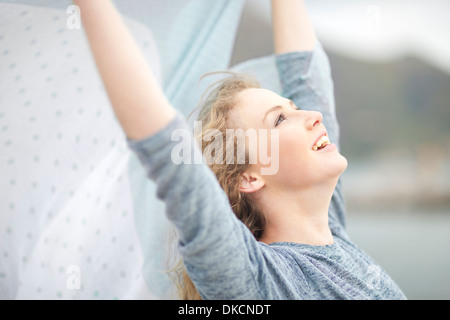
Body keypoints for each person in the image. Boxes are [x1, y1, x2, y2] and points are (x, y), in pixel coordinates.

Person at [74, 0, 406, 299]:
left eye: (293, 106)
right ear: (248, 177)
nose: (312, 115)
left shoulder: (330, 229)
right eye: (279, 120)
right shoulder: (262, 281)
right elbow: (162, 144)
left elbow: (305, 76)